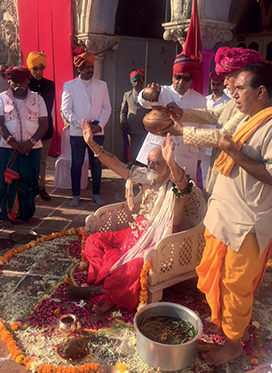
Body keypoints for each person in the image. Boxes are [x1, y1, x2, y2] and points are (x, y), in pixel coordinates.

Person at [196, 62, 272, 366]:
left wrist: (233, 152)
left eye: (240, 88)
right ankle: (225, 325)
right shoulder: (250, 118)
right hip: (226, 216)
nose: (233, 94)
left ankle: (234, 342)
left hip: (247, 223)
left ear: (261, 91)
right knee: (218, 277)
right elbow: (214, 127)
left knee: (235, 285)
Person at [68, 119, 191, 313]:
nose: (150, 166)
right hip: (134, 233)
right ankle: (107, 280)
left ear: (167, 165)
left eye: (156, 163)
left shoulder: (176, 187)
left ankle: (104, 292)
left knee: (130, 269)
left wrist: (171, 161)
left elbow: (182, 184)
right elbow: (116, 164)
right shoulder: (146, 177)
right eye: (149, 161)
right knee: (94, 241)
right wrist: (91, 144)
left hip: (159, 241)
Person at [162, 47, 264, 198]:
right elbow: (214, 114)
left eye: (228, 77)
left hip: (236, 171)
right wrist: (182, 113)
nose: (225, 82)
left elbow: (221, 136)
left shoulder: (251, 106)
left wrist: (183, 131)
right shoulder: (236, 101)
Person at [137, 53, 207, 182]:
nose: (181, 82)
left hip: (186, 156)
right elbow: (143, 101)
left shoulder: (200, 100)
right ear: (172, 77)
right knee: (153, 191)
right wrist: (148, 94)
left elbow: (204, 128)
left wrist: (199, 158)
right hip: (158, 153)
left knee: (182, 194)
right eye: (178, 77)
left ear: (192, 80)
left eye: (186, 79)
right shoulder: (162, 91)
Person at [0, 67, 48, 224]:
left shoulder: (38, 99)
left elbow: (44, 124)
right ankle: (8, 212)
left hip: (32, 149)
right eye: (15, 81)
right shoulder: (1, 98)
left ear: (27, 81)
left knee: (29, 181)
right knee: (8, 182)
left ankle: (25, 214)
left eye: (22, 81)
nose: (19, 84)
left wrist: (30, 143)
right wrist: (13, 142)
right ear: (9, 81)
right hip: (8, 148)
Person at [61, 51, 112, 207]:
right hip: (78, 132)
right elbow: (66, 110)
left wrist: (99, 125)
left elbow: (107, 108)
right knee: (76, 163)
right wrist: (82, 125)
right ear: (79, 69)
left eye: (91, 67)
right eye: (86, 67)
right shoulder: (69, 86)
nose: (90, 70)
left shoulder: (102, 85)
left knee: (96, 163)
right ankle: (76, 195)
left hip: (97, 132)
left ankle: (96, 194)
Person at [27, 51, 55, 201]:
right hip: (28, 129)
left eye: (41, 68)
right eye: (35, 69)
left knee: (42, 160)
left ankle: (41, 187)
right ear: (30, 69)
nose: (38, 72)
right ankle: (29, 187)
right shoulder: (25, 84)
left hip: (45, 128)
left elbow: (48, 107)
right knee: (30, 159)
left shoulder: (50, 85)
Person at [201, 71, 230, 187]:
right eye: (213, 84)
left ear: (223, 85)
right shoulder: (204, 100)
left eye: (218, 84)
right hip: (205, 143)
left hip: (219, 145)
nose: (215, 87)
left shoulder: (229, 102)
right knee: (204, 175)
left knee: (217, 176)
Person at [120, 69, 149, 164]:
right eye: (134, 81)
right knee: (133, 151)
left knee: (144, 150)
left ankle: (143, 168)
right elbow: (123, 111)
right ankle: (133, 168)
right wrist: (123, 122)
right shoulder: (127, 95)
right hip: (131, 128)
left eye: (138, 81)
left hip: (144, 128)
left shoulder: (147, 94)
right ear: (131, 82)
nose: (137, 83)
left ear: (142, 81)